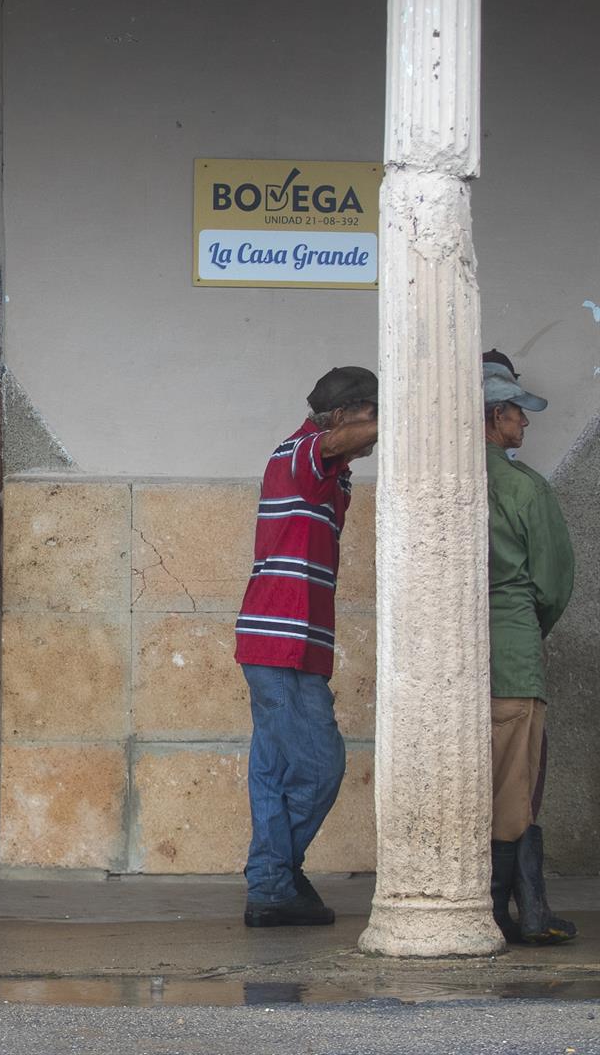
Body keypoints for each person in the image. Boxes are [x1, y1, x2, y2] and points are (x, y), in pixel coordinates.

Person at [234, 366, 377, 928]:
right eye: (371, 416)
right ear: (340, 417)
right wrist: (414, 411)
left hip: (282, 640)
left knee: (272, 772)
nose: (375, 430)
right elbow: (335, 442)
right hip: (283, 640)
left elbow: (342, 447)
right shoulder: (299, 452)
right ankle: (274, 878)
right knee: (321, 767)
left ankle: (274, 885)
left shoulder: (329, 469)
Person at [483, 358, 577, 946]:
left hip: (453, 662)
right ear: (496, 416)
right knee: (515, 793)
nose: (525, 423)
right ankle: (504, 912)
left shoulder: (441, 484)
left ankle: (518, 909)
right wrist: (521, 631)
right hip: (513, 660)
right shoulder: (524, 487)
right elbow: (553, 584)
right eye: (518, 413)